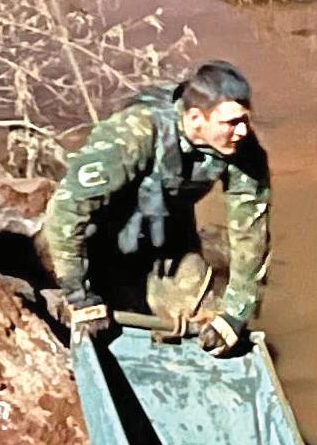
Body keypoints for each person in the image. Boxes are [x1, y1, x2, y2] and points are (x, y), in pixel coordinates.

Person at [36, 60, 272, 355]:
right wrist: (79, 296)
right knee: (67, 307)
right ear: (196, 118)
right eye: (232, 122)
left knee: (205, 321)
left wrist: (236, 313)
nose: (243, 131)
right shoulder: (133, 133)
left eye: (245, 120)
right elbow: (68, 210)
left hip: (167, 232)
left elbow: (250, 232)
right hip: (100, 230)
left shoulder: (243, 149)